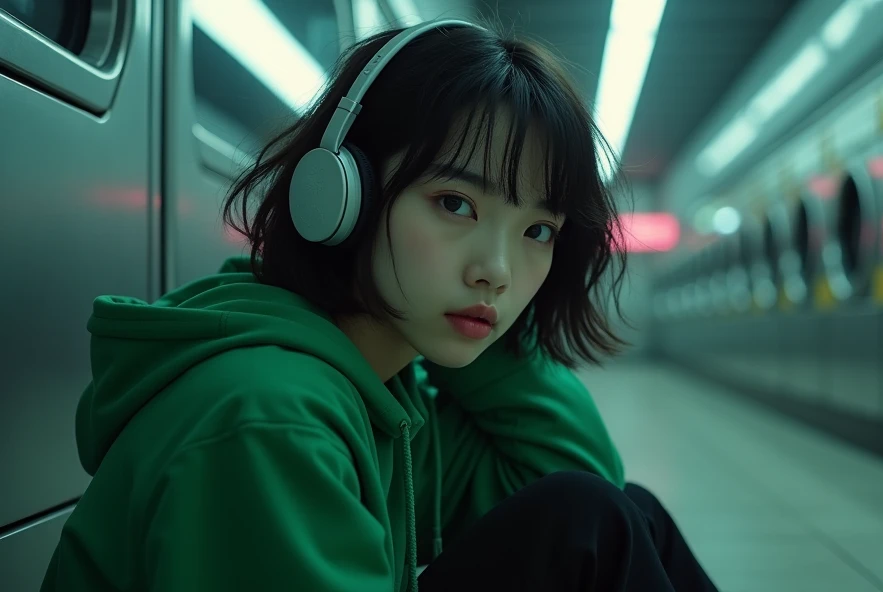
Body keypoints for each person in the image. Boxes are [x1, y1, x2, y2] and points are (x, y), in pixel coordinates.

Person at [41, 18, 718, 592]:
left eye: (536, 231)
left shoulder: (394, 393)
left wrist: (459, 332)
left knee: (618, 514)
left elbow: (576, 486)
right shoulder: (269, 421)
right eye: (455, 204)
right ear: (342, 195)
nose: (497, 271)